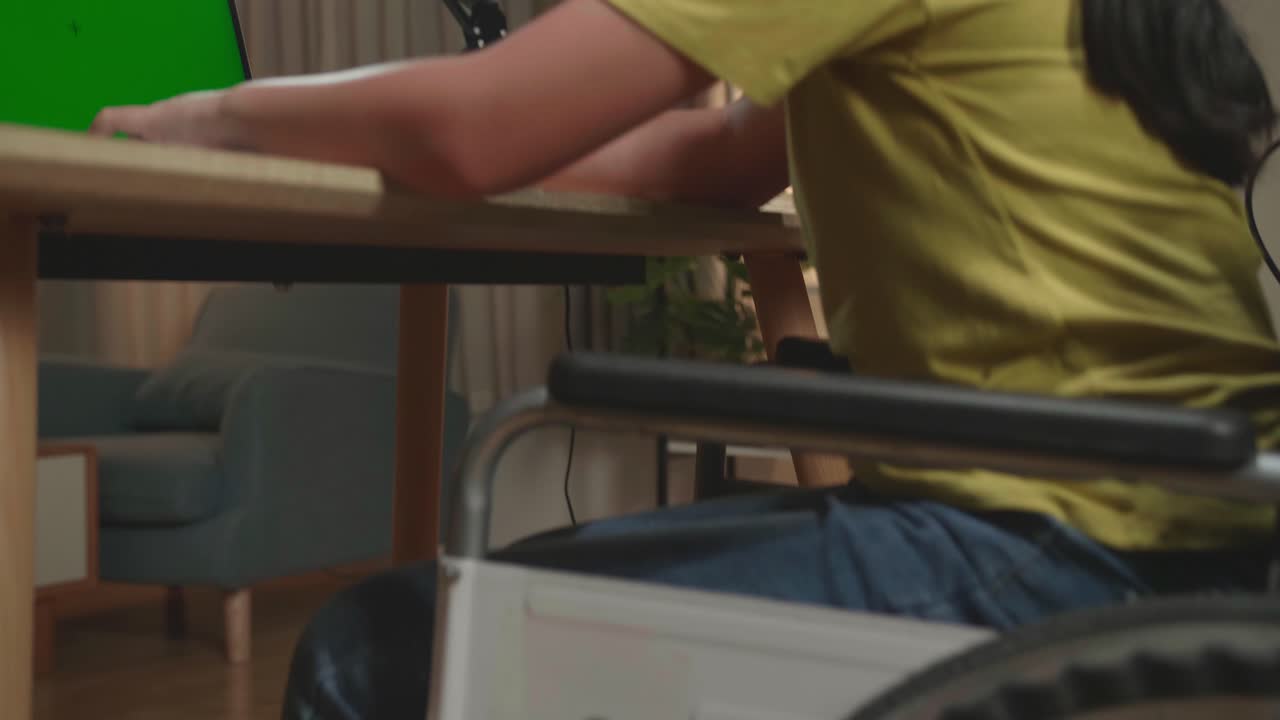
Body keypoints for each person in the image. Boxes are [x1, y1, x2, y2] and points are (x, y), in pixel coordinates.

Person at [92, 0, 1280, 717]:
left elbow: (474, 128)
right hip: (1207, 530)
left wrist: (217, 114)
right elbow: (714, 160)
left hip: (1042, 541)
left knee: (370, 654)